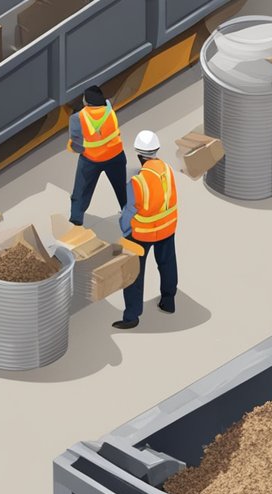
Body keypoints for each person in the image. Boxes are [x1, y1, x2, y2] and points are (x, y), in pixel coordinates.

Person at [115, 130, 178, 330]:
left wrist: (125, 231)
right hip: (168, 228)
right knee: (167, 264)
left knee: (133, 274)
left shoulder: (137, 182)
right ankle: (168, 302)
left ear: (138, 154)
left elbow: (129, 212)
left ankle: (132, 316)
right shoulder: (167, 170)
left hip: (142, 234)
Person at [67, 85, 128, 227]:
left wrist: (73, 147)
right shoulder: (110, 110)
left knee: (81, 190)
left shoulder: (77, 118)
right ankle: (128, 216)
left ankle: (76, 219)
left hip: (91, 160)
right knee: (121, 189)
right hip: (116, 156)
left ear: (86, 102)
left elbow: (77, 145)